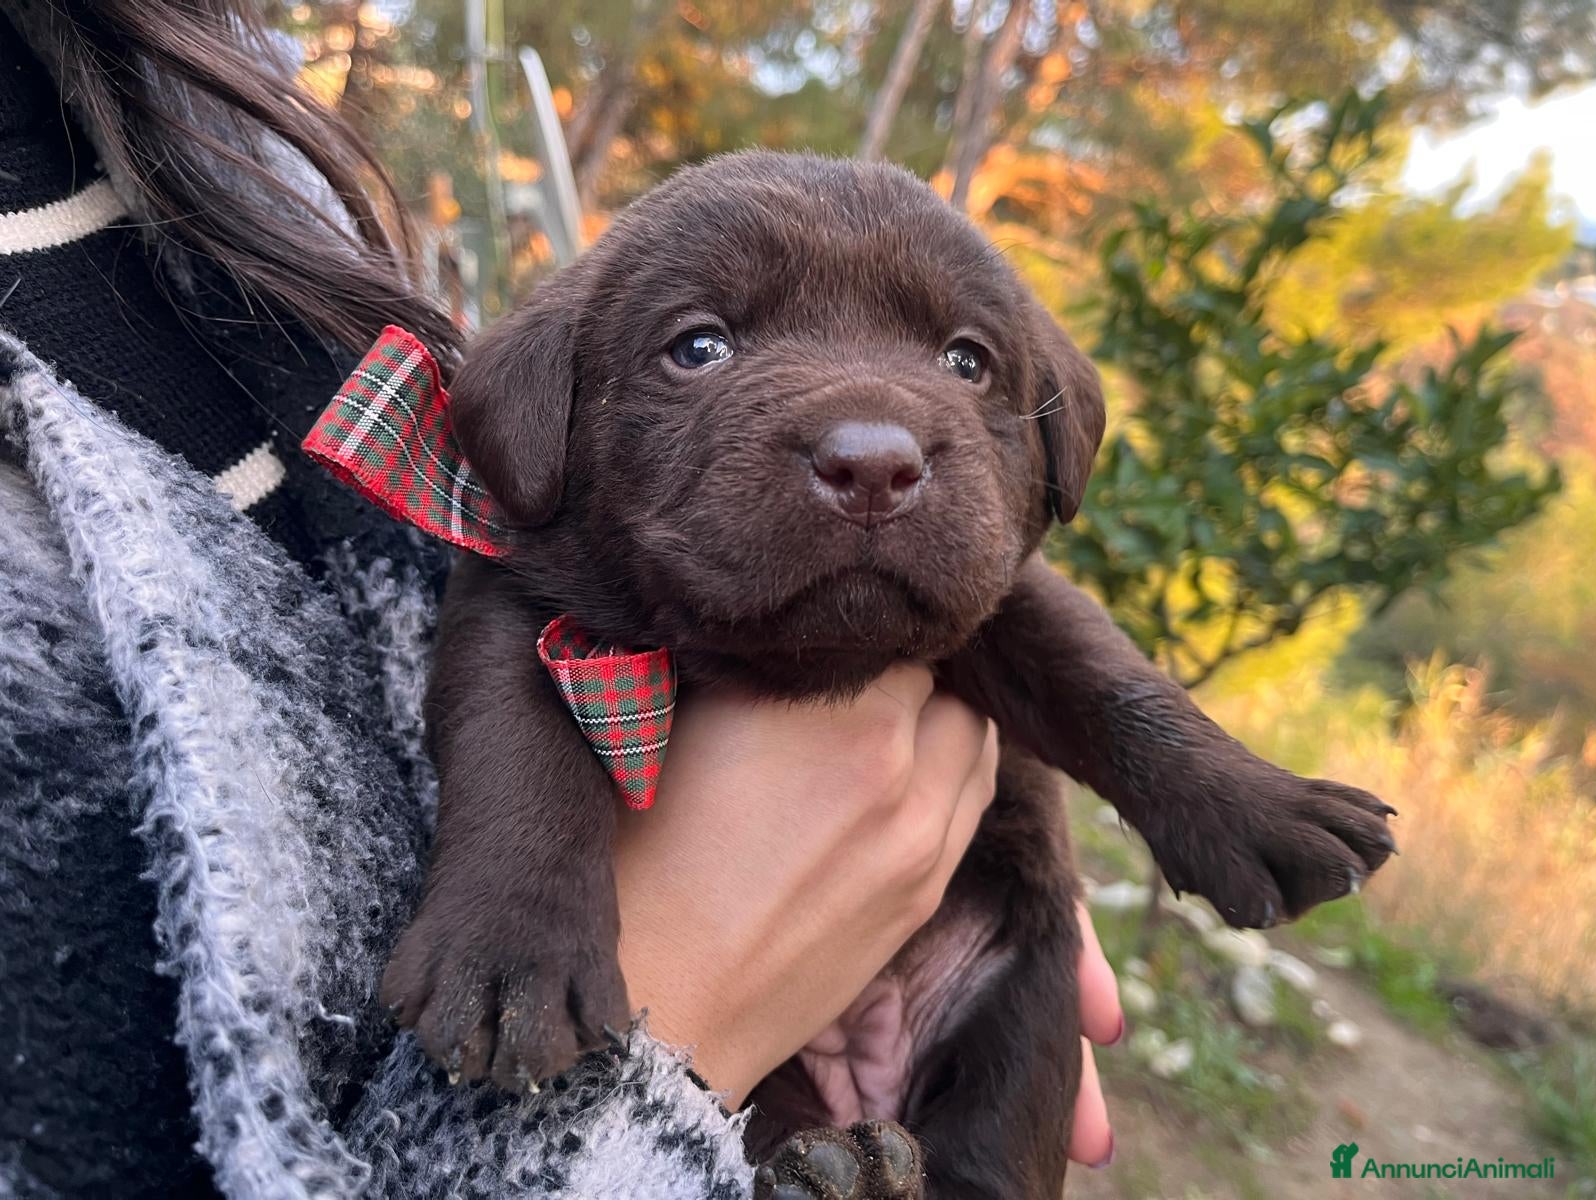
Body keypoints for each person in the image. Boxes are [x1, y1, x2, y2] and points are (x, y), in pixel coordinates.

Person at [0, 1, 1119, 1195]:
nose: (877, 435)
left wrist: (930, 853)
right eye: (700, 347)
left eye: (962, 362)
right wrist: (683, 1000)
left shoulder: (222, 110)